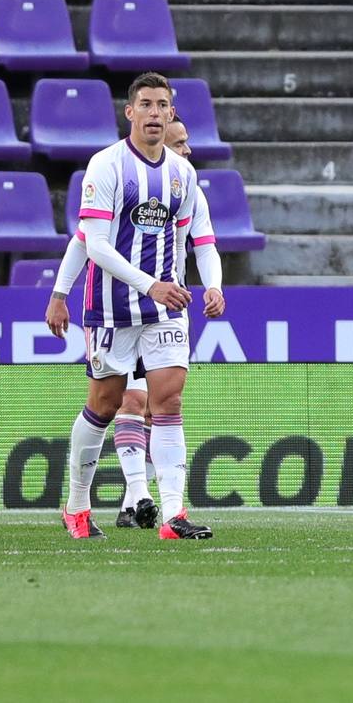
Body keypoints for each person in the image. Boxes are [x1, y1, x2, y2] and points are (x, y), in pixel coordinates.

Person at [56, 73, 223, 540]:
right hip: (113, 308)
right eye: (145, 104)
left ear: (171, 113)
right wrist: (149, 286)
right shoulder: (106, 166)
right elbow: (95, 245)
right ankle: (78, 506)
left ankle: (173, 514)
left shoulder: (183, 174)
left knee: (167, 400)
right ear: (130, 112)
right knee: (105, 404)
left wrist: (213, 285)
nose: (154, 113)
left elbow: (201, 240)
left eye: (162, 105)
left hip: (167, 307)